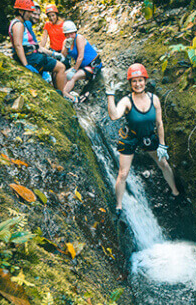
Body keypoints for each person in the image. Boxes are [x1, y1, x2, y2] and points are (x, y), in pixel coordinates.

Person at [106, 63, 179, 217]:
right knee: (123, 173)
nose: (138, 84)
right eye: (134, 81)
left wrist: (162, 144)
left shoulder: (154, 99)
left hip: (148, 136)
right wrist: (110, 94)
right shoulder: (126, 101)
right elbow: (114, 115)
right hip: (131, 137)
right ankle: (118, 206)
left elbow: (159, 124)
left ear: (145, 81)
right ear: (130, 83)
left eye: (140, 80)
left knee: (164, 164)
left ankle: (175, 192)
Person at [8, 0, 66, 91]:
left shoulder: (22, 23)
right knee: (61, 67)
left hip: (32, 55)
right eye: (29, 12)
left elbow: (36, 45)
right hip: (31, 57)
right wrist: (26, 65)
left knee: (57, 67)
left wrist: (54, 54)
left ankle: (58, 90)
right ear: (21, 12)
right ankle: (64, 95)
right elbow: (18, 46)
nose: (30, 14)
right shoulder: (18, 25)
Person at [61, 21, 102, 101]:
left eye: (72, 34)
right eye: (67, 34)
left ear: (75, 32)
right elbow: (63, 56)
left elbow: (80, 57)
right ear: (65, 35)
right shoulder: (66, 42)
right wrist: (66, 47)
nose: (70, 36)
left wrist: (74, 70)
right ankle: (63, 91)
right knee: (64, 74)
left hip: (93, 65)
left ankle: (68, 95)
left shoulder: (79, 38)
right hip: (82, 66)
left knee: (73, 76)